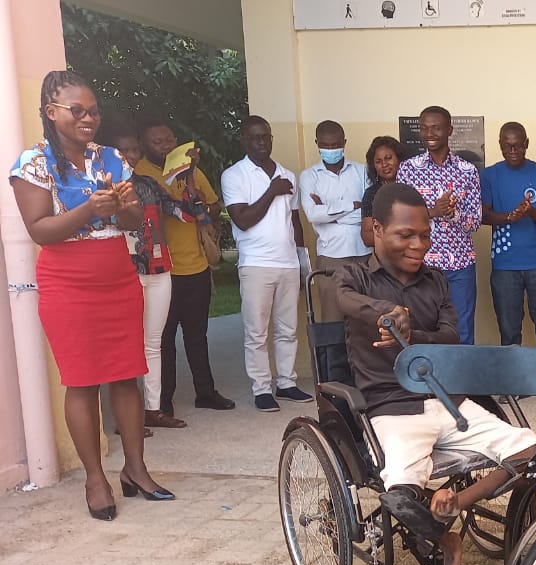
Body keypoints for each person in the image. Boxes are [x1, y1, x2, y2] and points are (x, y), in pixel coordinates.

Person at [336, 182, 536, 565]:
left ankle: (453, 504)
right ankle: (448, 542)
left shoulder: (436, 280)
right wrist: (387, 312)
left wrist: (414, 337)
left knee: (533, 450)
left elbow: (450, 336)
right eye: (405, 235)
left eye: (425, 235)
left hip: (448, 401)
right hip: (394, 410)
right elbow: (343, 300)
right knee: (399, 497)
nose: (418, 244)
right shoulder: (354, 277)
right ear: (377, 229)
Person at [9, 70, 174, 520]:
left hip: (117, 276)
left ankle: (136, 469)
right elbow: (41, 231)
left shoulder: (111, 157)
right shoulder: (33, 164)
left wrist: (123, 208)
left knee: (126, 374)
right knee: (81, 380)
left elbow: (130, 221)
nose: (88, 118)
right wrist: (88, 208)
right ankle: (96, 479)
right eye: (77, 110)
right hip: (69, 282)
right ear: (51, 112)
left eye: (93, 111)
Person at [134, 119, 236, 415]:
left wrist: (202, 201)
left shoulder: (190, 171)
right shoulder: (141, 174)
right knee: (163, 341)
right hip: (163, 272)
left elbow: (215, 208)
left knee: (197, 336)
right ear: (144, 144)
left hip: (197, 267)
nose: (166, 146)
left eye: (169, 139)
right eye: (157, 141)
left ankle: (205, 392)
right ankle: (162, 401)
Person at [109, 123, 201, 431]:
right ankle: (127, 417)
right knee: (127, 344)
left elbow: (187, 213)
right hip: (125, 272)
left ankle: (154, 410)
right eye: (123, 150)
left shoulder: (148, 184)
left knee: (154, 343)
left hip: (160, 269)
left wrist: (188, 175)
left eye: (134, 149)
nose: (130, 156)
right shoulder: (101, 188)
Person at [222, 115, 314, 412]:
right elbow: (243, 219)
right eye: (255, 138)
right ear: (243, 140)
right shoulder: (234, 175)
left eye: (266, 137)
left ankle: (286, 383)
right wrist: (272, 191)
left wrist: (302, 261)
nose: (262, 142)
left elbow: (295, 221)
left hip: (288, 262)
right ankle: (262, 388)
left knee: (288, 328)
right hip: (256, 264)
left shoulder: (288, 174)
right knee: (256, 331)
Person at [395, 106, 483, 344]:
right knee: (422, 328)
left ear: (449, 130)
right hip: (421, 264)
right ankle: (426, 381)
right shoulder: (408, 169)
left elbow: (475, 222)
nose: (429, 133)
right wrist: (433, 211)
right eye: (424, 128)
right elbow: (401, 218)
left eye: (436, 127)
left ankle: (462, 380)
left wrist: (453, 214)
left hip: (460, 263)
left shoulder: (467, 171)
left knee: (462, 329)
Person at [480, 122, 536, 347]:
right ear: (500, 146)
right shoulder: (489, 175)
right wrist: (509, 217)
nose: (513, 151)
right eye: (507, 146)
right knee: (509, 331)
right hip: (504, 264)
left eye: (517, 146)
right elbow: (484, 216)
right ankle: (513, 380)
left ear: (526, 144)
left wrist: (529, 211)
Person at [299, 120, 371, 321]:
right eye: (326, 145)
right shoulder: (309, 176)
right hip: (331, 255)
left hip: (363, 254)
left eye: (335, 144)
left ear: (344, 142)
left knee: (364, 317)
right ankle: (333, 354)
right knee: (333, 318)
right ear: (317, 143)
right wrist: (351, 207)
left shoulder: (362, 171)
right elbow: (313, 215)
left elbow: (368, 211)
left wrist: (329, 214)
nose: (331, 149)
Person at [360, 136, 407, 247]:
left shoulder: (414, 186)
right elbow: (367, 236)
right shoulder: (371, 194)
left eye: (388, 158)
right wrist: (396, 240)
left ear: (399, 158)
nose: (384, 164)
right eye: (378, 161)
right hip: (387, 258)